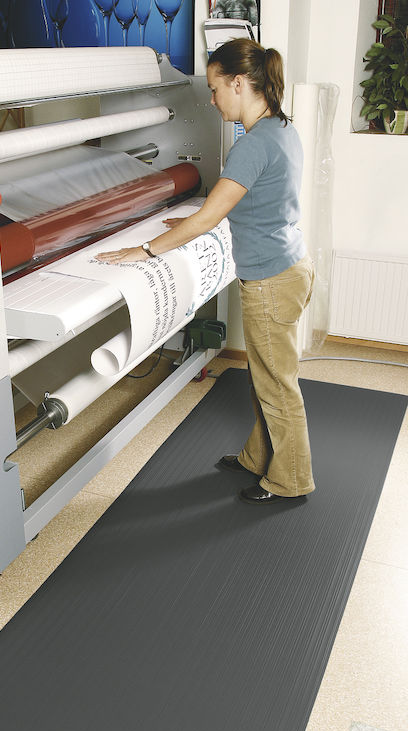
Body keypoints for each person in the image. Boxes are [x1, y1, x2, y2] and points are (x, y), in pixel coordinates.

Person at [96, 38, 315, 506]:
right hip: (290, 266)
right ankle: (259, 458)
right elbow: (253, 201)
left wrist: (146, 249)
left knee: (277, 386)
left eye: (215, 89)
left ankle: (290, 480)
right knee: (267, 378)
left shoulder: (252, 145)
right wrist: (192, 220)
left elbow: (211, 216)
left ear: (239, 83)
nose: (212, 100)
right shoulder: (281, 128)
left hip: (272, 281)